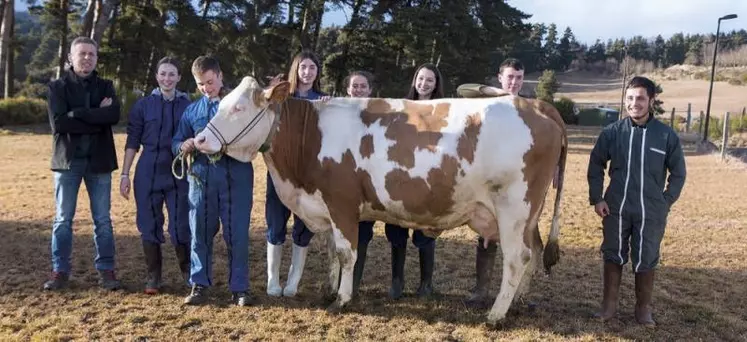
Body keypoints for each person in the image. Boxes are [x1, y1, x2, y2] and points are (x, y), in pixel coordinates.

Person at [587, 76, 686, 326]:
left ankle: (643, 309)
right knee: (613, 253)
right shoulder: (612, 133)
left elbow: (678, 173)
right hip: (616, 207)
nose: (634, 103)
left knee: (646, 255)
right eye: (630, 98)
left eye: (641, 98)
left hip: (651, 210)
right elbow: (596, 164)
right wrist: (597, 198)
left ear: (651, 101)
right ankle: (608, 306)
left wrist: (666, 200)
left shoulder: (665, 136)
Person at [172, 56, 254, 306]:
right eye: (200, 84)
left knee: (237, 234)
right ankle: (199, 285)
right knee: (199, 232)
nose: (206, 88)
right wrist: (183, 145)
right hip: (201, 178)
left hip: (236, 177)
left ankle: (239, 289)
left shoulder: (240, 106)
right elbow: (176, 140)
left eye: (209, 82)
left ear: (220, 76)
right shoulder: (192, 110)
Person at [44, 36, 122, 291]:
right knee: (63, 219)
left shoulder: (106, 86)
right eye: (82, 54)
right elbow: (59, 124)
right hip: (68, 163)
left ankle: (107, 271)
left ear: (97, 58)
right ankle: (60, 272)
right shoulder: (57, 87)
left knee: (103, 220)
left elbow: (113, 115)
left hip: (99, 162)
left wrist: (77, 113)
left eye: (92, 54)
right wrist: (96, 117)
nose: (87, 58)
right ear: (71, 58)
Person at [120, 57, 192, 294]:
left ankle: (188, 273)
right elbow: (132, 142)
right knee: (149, 224)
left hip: (178, 170)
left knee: (180, 226)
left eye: (172, 74)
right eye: (163, 74)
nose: (167, 79)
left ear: (179, 77)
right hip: (148, 169)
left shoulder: (187, 105)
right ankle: (154, 277)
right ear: (156, 76)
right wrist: (125, 174)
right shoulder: (143, 106)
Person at [265, 50, 329, 298]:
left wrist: (325, 108)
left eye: (312, 67)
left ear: (317, 72)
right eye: (303, 67)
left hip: (308, 172)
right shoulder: (282, 97)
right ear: (296, 69)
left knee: (303, 226)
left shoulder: (322, 99)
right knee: (275, 222)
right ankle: (273, 279)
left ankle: (293, 281)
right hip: (280, 170)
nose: (308, 72)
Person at [464, 58, 526, 306]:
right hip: (488, 177)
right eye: (510, 77)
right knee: (486, 233)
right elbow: (463, 89)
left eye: (519, 78)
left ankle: (518, 293)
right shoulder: (487, 101)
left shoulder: (529, 107)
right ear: (500, 77)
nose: (514, 82)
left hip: (520, 180)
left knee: (521, 234)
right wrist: (498, 93)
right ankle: (481, 291)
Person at [386, 63, 444, 300]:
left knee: (425, 232)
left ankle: (426, 284)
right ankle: (397, 282)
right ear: (414, 80)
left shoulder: (443, 109)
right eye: (421, 78)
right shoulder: (401, 108)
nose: (424, 83)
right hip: (401, 175)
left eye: (430, 80)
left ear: (436, 84)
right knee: (396, 229)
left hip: (429, 178)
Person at [343, 70, 376, 297]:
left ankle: (354, 282)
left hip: (371, 183)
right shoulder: (338, 111)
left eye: (363, 86)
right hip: (342, 182)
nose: (359, 90)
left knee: (362, 234)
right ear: (348, 89)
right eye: (355, 86)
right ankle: (338, 280)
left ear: (370, 90)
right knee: (341, 232)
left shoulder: (377, 114)